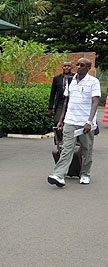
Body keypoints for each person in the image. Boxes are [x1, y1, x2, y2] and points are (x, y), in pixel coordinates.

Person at [48, 58, 100, 187]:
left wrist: (89, 121)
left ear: (88, 68)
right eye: (77, 64)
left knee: (86, 149)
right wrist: (61, 120)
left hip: (85, 122)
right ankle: (59, 175)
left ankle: (85, 174)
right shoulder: (71, 81)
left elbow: (95, 102)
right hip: (70, 120)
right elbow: (66, 102)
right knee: (66, 148)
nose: (78, 67)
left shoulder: (93, 82)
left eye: (82, 65)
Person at [49, 61, 75, 142]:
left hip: (72, 102)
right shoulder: (57, 78)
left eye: (68, 66)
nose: (66, 67)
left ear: (71, 67)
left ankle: (73, 141)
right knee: (57, 121)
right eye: (65, 66)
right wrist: (50, 108)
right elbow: (52, 94)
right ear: (62, 67)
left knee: (71, 122)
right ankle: (59, 141)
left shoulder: (75, 77)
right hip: (60, 102)